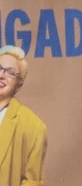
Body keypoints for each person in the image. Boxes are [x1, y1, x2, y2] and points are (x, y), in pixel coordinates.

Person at [0, 45, 47, 185]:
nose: (1, 75)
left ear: (19, 85)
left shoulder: (33, 127)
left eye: (10, 72)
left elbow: (32, 182)